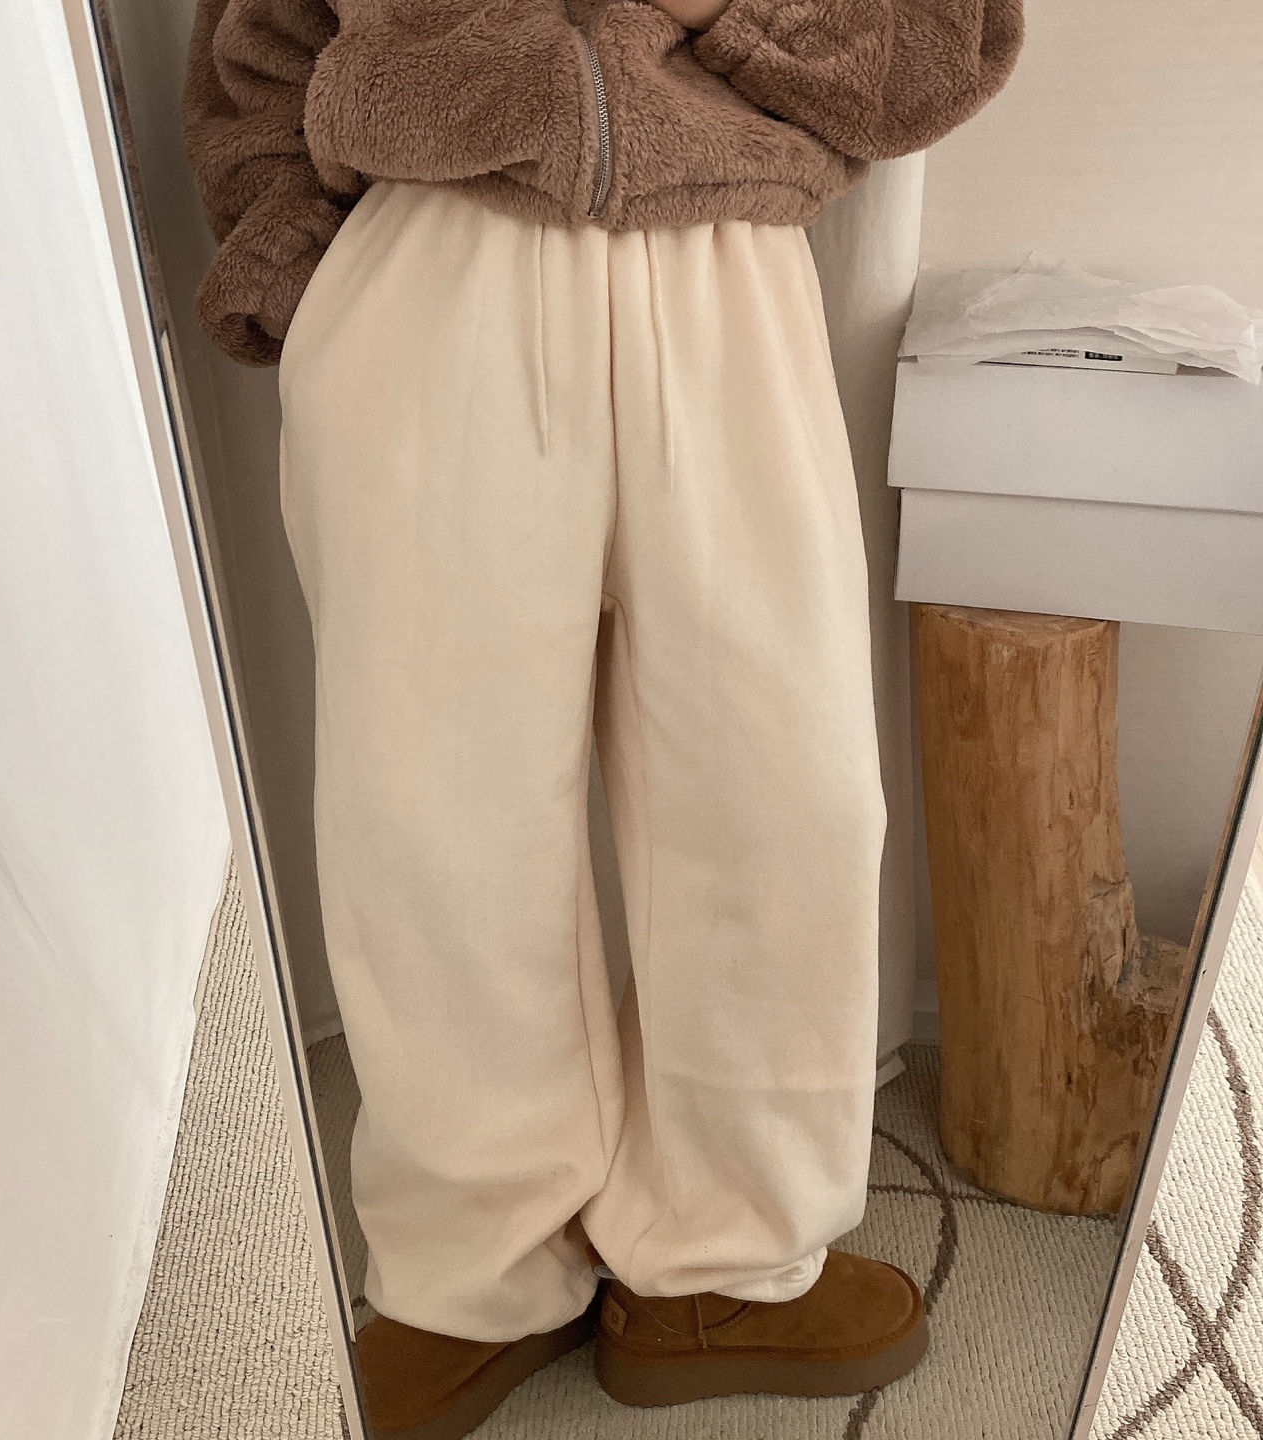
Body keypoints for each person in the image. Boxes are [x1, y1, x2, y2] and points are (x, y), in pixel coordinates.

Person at [183, 0, 1022, 1433]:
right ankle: (474, 1269)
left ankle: (728, 1251)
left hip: (727, 269)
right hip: (431, 258)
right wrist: (298, 261)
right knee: (433, 805)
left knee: (784, 792)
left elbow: (940, 42)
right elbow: (256, 43)